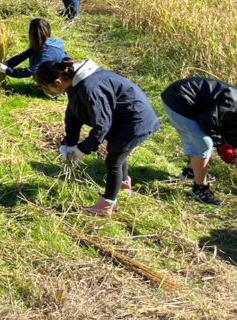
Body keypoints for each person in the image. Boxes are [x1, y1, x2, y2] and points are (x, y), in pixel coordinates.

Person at [36, 59, 161, 216]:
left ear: (58, 81)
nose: (49, 92)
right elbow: (73, 115)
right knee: (116, 151)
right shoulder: (75, 83)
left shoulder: (90, 87)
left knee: (114, 159)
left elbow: (102, 125)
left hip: (136, 121)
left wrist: (83, 150)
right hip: (121, 120)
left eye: (48, 88)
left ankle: (106, 206)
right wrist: (69, 143)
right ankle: (123, 185)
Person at [161, 77, 237, 206]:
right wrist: (222, 146)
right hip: (179, 99)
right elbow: (208, 121)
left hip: (195, 106)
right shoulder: (235, 106)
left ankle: (193, 172)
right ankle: (200, 190)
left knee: (207, 142)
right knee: (204, 144)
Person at [0, 18, 69, 80]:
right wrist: (7, 63)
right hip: (60, 77)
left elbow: (30, 71)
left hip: (59, 81)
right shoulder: (47, 44)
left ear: (32, 34)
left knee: (38, 69)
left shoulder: (46, 52)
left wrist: (7, 70)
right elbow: (22, 57)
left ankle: (52, 91)